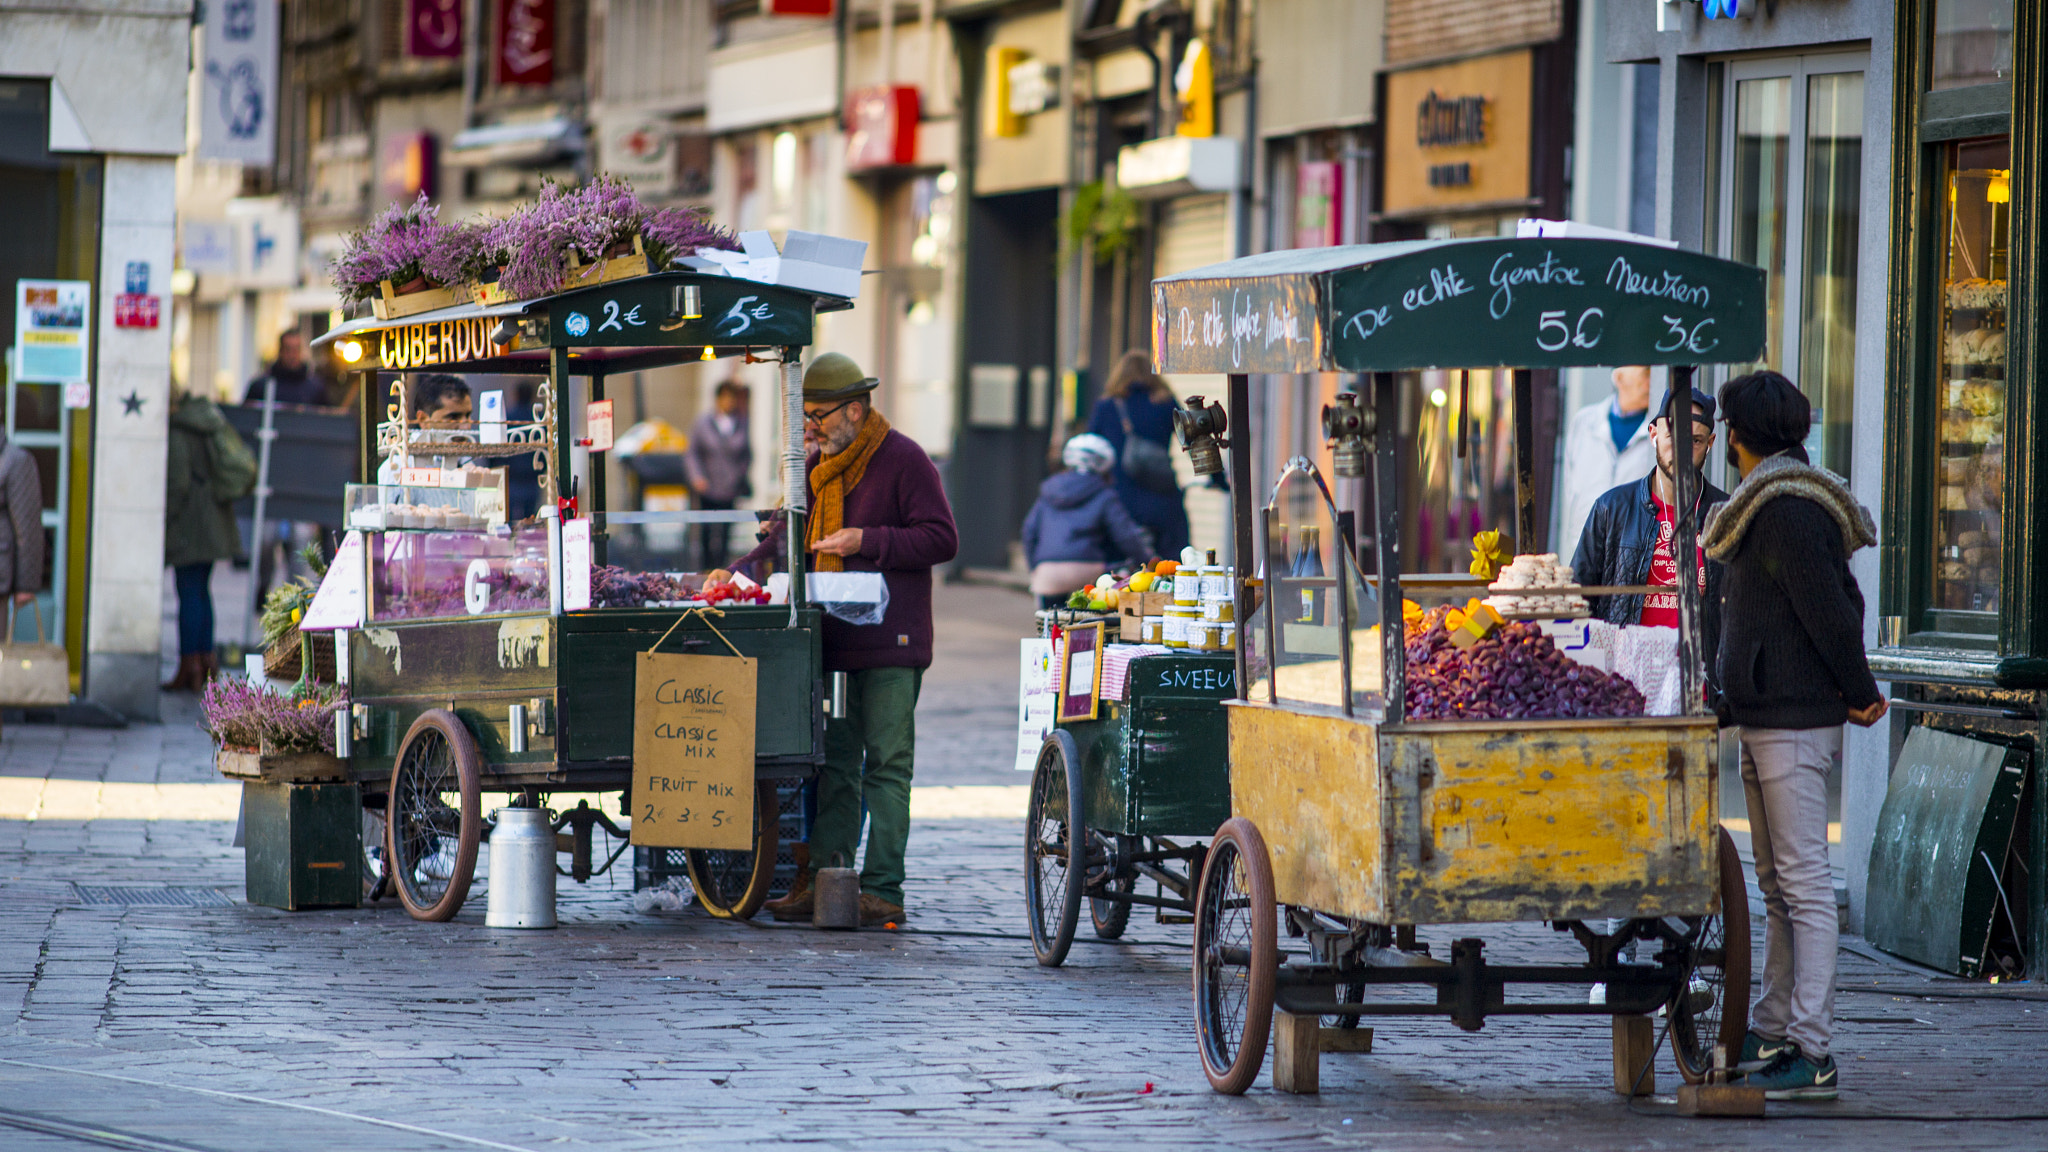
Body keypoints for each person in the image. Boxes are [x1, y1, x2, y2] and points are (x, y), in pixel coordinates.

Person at [1706, 370, 1885, 1102]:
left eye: (1722, 427)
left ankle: (1812, 1050)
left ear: (1738, 438)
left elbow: (1831, 614)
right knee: (1778, 884)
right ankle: (1775, 1026)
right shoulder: (1765, 502)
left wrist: (1861, 691)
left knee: (1805, 887)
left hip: (1793, 718)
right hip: (1764, 714)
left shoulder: (1785, 508)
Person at [741, 353, 958, 928]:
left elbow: (941, 538)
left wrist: (869, 539)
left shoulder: (905, 459)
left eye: (819, 414)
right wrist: (738, 572)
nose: (810, 426)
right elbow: (792, 537)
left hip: (892, 642)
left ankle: (883, 890)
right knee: (835, 765)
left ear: (855, 411)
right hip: (833, 640)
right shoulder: (816, 465)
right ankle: (824, 882)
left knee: (887, 765)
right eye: (806, 415)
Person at [1571, 382, 1728, 666]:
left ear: (1710, 443)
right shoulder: (1612, 509)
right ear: (1653, 434)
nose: (1682, 450)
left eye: (1694, 441)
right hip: (1625, 687)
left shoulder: (1726, 515)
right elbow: (1577, 603)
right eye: (1673, 437)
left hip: (1700, 693)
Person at [164, 390, 256, 691]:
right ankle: (206, 662)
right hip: (214, 518)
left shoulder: (180, 428)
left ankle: (188, 666)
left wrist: (164, 517)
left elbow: (177, 483)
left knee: (188, 591)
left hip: (190, 523)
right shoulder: (207, 418)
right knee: (201, 592)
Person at [1022, 433, 1153, 609]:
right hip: (1088, 571)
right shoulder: (1104, 493)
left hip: (1047, 573)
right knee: (1092, 618)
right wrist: (1147, 560)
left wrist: (1035, 568)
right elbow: (1125, 536)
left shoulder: (1049, 491)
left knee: (1049, 625)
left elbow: (1029, 531)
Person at [1088, 350, 1189, 561]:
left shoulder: (1106, 406)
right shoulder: (1166, 403)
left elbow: (1091, 449)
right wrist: (1217, 479)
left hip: (1121, 502)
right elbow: (1194, 441)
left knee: (1113, 565)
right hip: (1163, 503)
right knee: (1175, 562)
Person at [1557, 365, 1655, 563]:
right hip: (1583, 549)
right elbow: (1570, 485)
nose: (1651, 382)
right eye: (1645, 374)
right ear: (1619, 378)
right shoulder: (1584, 422)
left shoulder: (1659, 430)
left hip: (1635, 553)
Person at [684, 381, 752, 567]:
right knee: (706, 531)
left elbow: (746, 454)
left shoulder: (741, 422)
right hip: (707, 486)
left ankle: (722, 569)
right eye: (726, 397)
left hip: (730, 487)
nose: (729, 402)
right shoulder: (703, 423)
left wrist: (739, 475)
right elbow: (692, 453)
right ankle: (705, 568)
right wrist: (697, 477)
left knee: (725, 532)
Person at [375, 374, 475, 484]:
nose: (466, 426)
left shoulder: (467, 463)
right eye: (453, 417)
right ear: (423, 420)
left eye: (468, 416)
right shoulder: (397, 468)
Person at [241, 330, 329, 407]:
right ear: (280, 351)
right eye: (288, 349)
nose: (292, 355)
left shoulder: (316, 388)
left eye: (296, 349)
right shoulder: (260, 387)